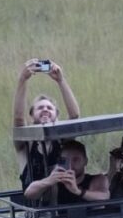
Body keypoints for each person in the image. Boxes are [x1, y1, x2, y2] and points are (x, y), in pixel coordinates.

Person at [12, 58, 82, 193]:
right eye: (40, 108)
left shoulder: (63, 141)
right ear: (31, 114)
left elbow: (74, 117)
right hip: (36, 208)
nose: (45, 110)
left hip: (63, 206)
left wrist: (61, 81)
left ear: (57, 115)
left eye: (49, 108)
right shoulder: (26, 143)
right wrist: (22, 80)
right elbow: (19, 120)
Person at [23, 140, 109, 204]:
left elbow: (104, 196)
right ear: (59, 162)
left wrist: (77, 191)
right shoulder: (54, 183)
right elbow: (29, 194)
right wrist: (49, 181)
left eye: (76, 160)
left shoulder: (97, 179)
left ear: (85, 161)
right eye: (65, 161)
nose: (71, 166)